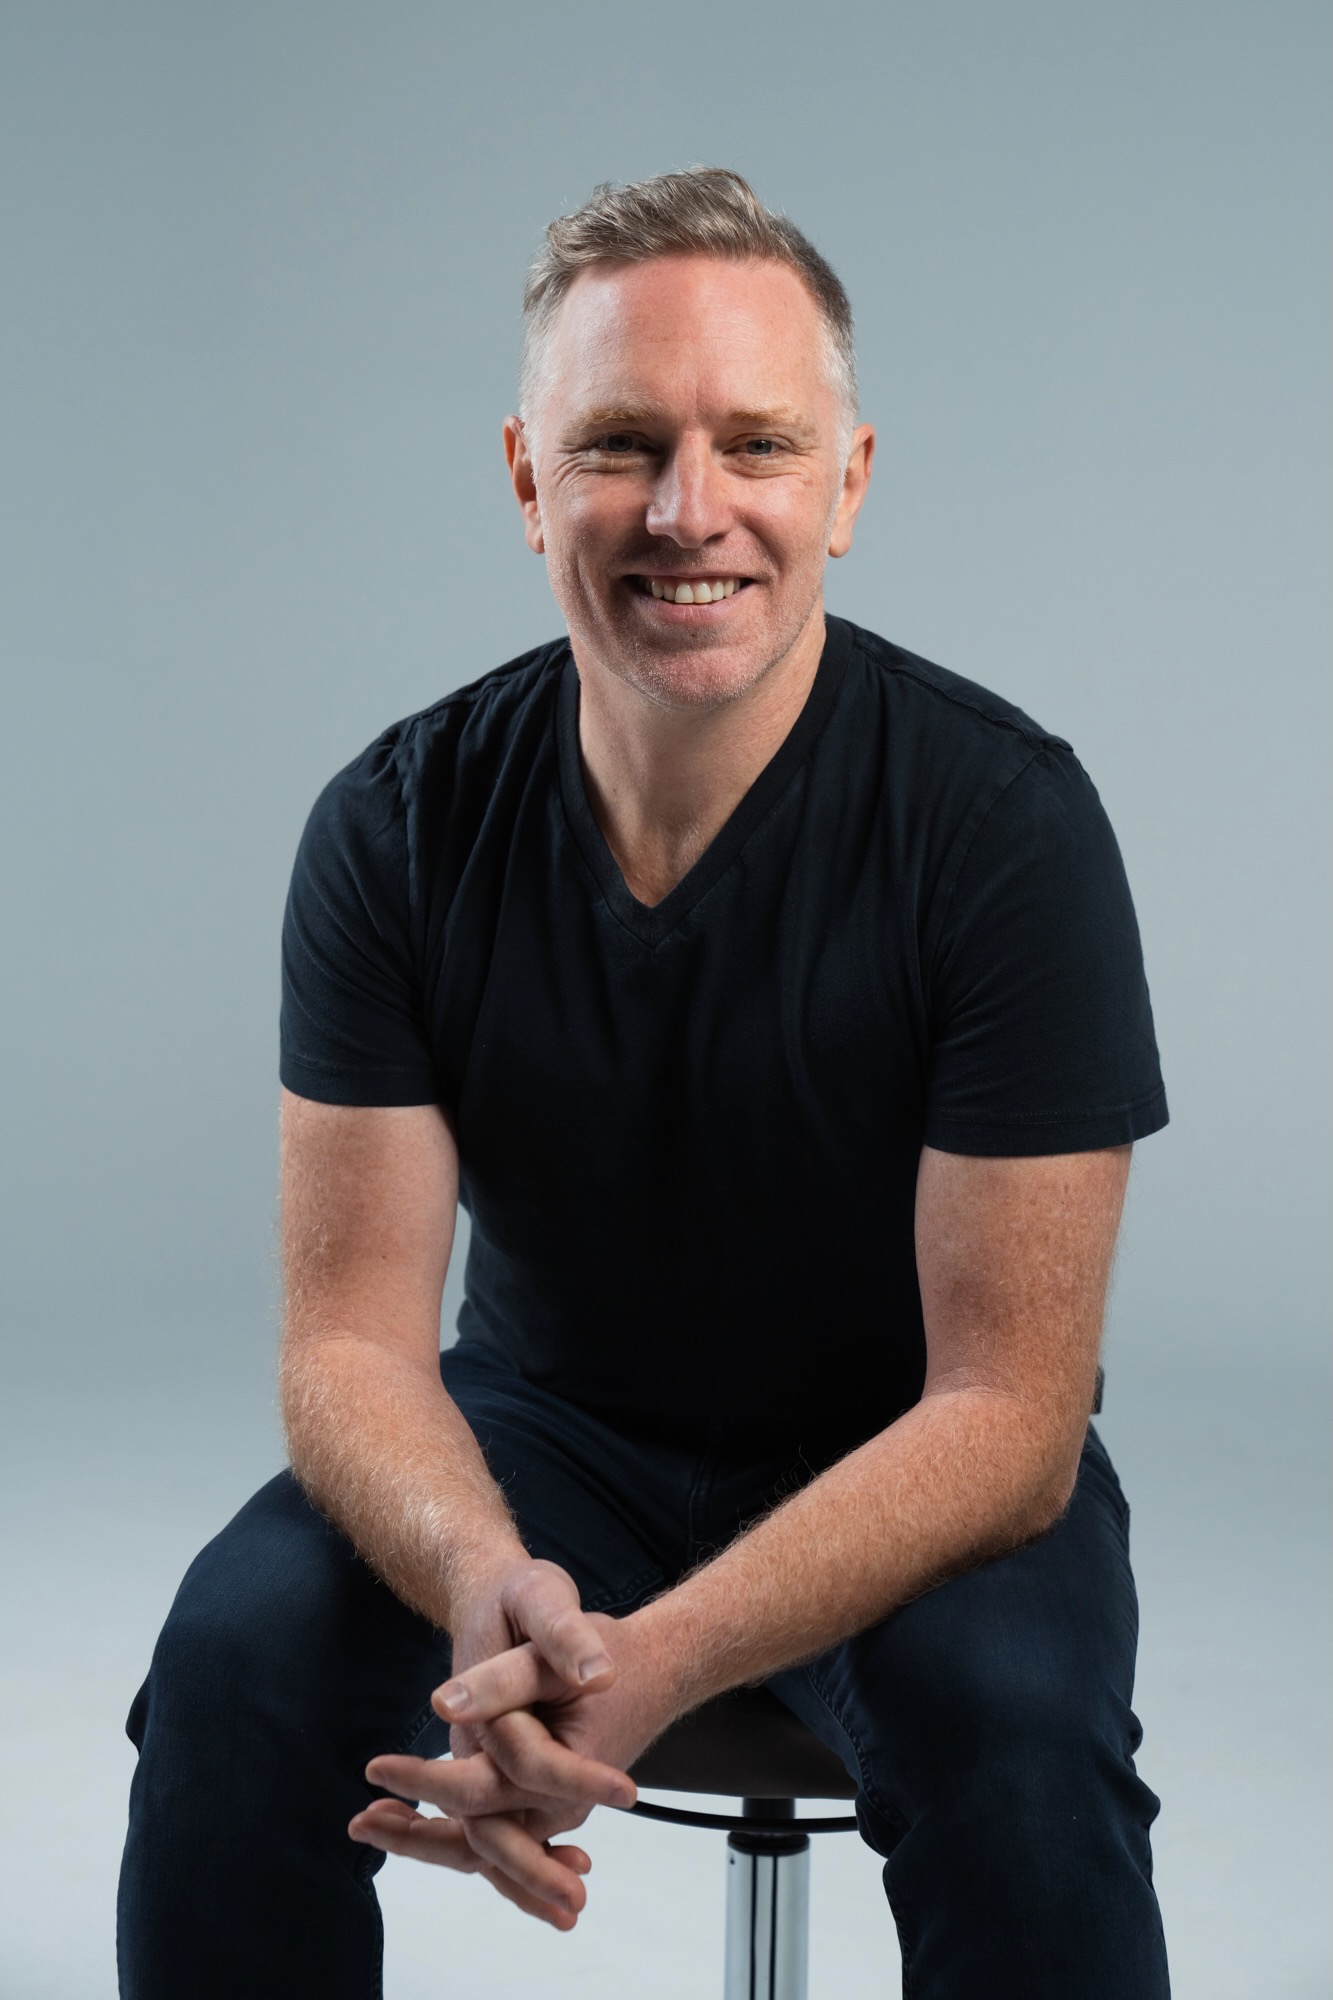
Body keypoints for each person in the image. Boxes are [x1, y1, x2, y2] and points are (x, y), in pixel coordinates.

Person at [117, 167, 1172, 1997]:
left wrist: (652, 1656)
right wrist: (476, 1569)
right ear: (527, 480)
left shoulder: (1005, 828)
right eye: (619, 445)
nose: (691, 512)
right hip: (546, 1430)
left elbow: (1009, 1410)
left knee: (1015, 1740)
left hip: (906, 1443)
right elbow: (349, 1347)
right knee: (233, 1664)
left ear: (845, 485)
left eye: (757, 444)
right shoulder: (396, 826)